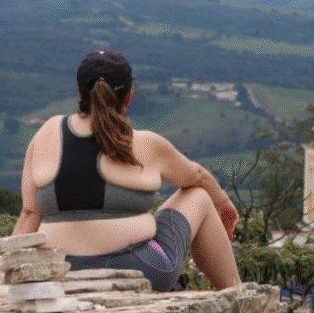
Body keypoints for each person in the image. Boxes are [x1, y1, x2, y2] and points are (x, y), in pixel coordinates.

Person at [13, 50, 241, 292]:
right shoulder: (145, 144)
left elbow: (30, 213)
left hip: (60, 272)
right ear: (129, 97)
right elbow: (197, 177)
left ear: (80, 93)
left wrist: (9, 270)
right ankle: (237, 297)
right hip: (142, 270)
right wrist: (223, 204)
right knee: (200, 196)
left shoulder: (47, 134)